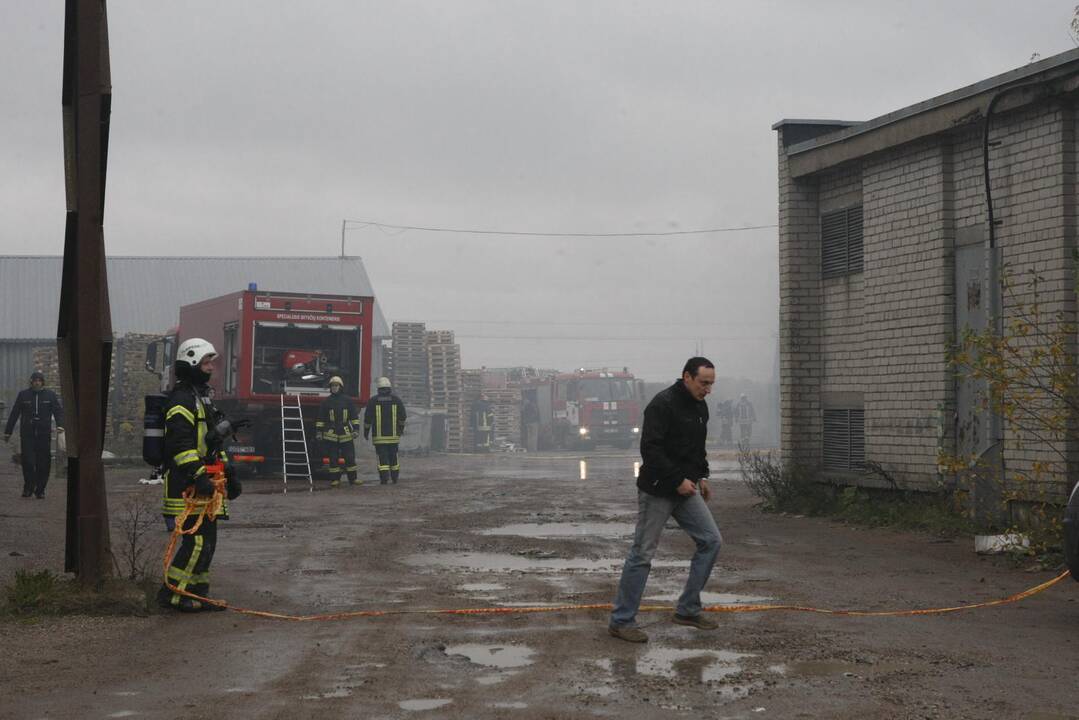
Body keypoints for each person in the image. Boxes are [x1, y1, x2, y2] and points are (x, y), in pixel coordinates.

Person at [608, 357, 721, 643]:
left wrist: (702, 476)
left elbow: (697, 448)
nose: (707, 389)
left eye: (711, 384)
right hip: (658, 489)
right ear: (686, 377)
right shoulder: (662, 404)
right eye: (703, 383)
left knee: (711, 541)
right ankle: (622, 621)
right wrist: (676, 480)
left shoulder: (700, 407)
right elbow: (651, 449)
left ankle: (687, 609)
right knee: (642, 553)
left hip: (687, 489)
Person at [156, 338, 242, 613]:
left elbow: (212, 445)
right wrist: (198, 476)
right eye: (206, 363)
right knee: (197, 542)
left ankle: (198, 593)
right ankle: (172, 594)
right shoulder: (181, 400)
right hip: (187, 485)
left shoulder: (202, 398)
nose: (211, 368)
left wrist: (229, 472)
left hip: (206, 484)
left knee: (209, 542)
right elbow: (180, 447)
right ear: (191, 362)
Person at [4, 371, 64, 499]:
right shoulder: (23, 395)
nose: (37, 382)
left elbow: (58, 412)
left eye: (39, 380)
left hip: (43, 434)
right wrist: (8, 431)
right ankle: (28, 488)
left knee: (44, 463)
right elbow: (14, 413)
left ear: (42, 382)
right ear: (31, 382)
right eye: (35, 380)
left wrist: (61, 425)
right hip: (27, 434)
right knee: (28, 462)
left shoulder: (50, 395)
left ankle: (40, 490)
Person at [316, 375, 361, 486]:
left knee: (350, 457)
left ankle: (353, 479)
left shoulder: (348, 401)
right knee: (333, 458)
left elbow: (354, 417)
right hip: (331, 434)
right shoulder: (326, 402)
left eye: (336, 385)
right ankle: (335, 480)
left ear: (341, 387)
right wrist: (319, 432)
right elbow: (321, 418)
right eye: (332, 386)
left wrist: (356, 430)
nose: (334, 388)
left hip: (346, 432)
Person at [364, 376, 406, 484]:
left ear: (378, 389)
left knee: (382, 459)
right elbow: (403, 416)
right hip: (393, 437)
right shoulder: (396, 400)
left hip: (379, 438)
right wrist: (400, 429)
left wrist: (366, 432)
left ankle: (384, 479)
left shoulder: (373, 401)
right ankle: (395, 478)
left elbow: (368, 418)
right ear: (389, 388)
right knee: (394, 457)